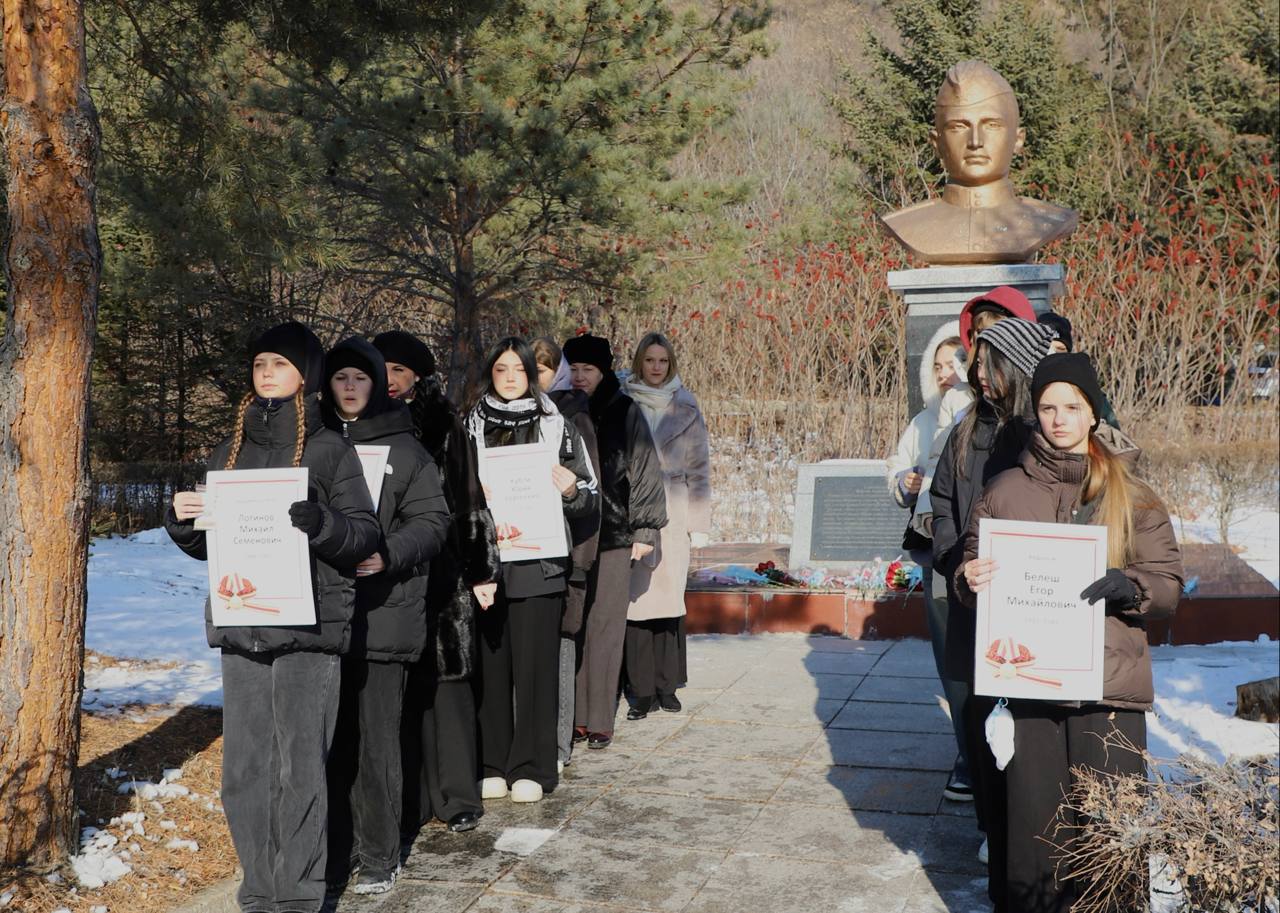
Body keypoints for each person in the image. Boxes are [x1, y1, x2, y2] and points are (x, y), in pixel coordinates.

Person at [166, 321, 381, 913]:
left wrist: (323, 523)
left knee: (301, 769)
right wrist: (184, 522)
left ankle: (299, 897)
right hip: (243, 626)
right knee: (243, 772)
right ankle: (259, 892)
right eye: (260, 363)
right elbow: (213, 545)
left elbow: (364, 533)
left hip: (308, 630)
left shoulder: (330, 448)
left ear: (305, 375)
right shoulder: (229, 449)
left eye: (280, 364)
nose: (267, 373)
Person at [958, 352, 1183, 913]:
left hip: (1108, 690)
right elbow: (970, 570)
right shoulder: (1004, 491)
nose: (1059, 419)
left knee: (1110, 832)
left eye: (1072, 407)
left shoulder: (1133, 495)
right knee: (1035, 833)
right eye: (1047, 408)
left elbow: (1168, 586)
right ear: (1035, 413)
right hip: (1030, 687)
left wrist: (1130, 585)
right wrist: (969, 578)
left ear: (1093, 413)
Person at [929, 317, 1059, 882]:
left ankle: (1027, 831)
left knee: (1026, 726)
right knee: (978, 716)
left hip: (1030, 604)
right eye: (976, 362)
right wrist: (954, 557)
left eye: (989, 363)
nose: (979, 374)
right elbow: (941, 502)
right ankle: (990, 826)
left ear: (1017, 366)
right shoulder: (965, 429)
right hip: (972, 596)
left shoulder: (1039, 432)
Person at [321, 337, 450, 895]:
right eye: (340, 377)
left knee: (376, 740)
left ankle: (379, 853)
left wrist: (389, 553)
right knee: (333, 742)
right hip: (325, 617)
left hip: (384, 613)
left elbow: (433, 522)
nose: (350, 387)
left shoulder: (406, 449)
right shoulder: (315, 443)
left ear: (377, 385)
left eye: (361, 378)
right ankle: (337, 850)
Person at [373, 331, 497, 837]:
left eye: (399, 370)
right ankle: (412, 798)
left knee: (448, 684)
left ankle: (458, 795)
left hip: (443, 571)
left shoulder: (446, 425)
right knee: (402, 691)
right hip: (384, 573)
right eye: (383, 368)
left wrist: (481, 568)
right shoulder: (360, 425)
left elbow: (470, 501)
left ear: (418, 376)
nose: (389, 379)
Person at [465, 337, 599, 803]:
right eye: (500, 369)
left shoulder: (556, 426)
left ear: (532, 374)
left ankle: (534, 766)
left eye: (518, 370)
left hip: (540, 564)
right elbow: (452, 494)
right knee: (492, 670)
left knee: (536, 671)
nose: (509, 378)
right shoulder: (471, 425)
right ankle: (493, 763)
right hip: (488, 567)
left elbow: (591, 497)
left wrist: (571, 491)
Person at [562, 333, 668, 748]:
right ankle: (571, 714)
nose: (580, 376)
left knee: (605, 625)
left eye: (588, 369)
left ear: (603, 371)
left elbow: (645, 471)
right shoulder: (557, 410)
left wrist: (645, 529)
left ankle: (599, 718)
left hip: (613, 533)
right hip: (568, 535)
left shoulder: (624, 409)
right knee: (571, 624)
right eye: (574, 368)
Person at [885, 321, 972, 802]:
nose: (944, 373)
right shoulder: (922, 421)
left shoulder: (979, 414)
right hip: (933, 549)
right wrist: (905, 482)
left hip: (975, 549)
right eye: (937, 366)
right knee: (949, 658)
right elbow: (896, 468)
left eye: (954, 362)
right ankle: (967, 753)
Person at [623, 332, 710, 717]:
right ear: (639, 362)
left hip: (673, 511)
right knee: (636, 602)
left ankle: (667, 685)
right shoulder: (624, 401)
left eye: (663, 361)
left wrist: (698, 521)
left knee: (670, 600)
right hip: (634, 509)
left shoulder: (686, 405)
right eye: (650, 360)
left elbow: (700, 469)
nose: (656, 367)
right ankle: (640, 690)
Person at [532, 338, 601, 772]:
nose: (530, 379)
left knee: (560, 646)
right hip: (518, 555)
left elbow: (589, 493)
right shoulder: (496, 416)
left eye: (540, 370)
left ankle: (557, 744)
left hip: (564, 553)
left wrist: (580, 560)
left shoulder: (571, 418)